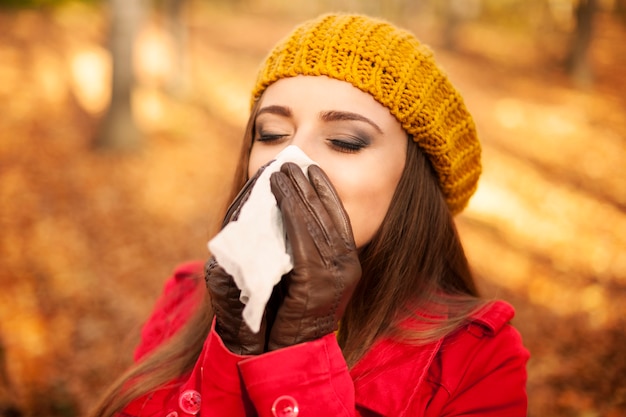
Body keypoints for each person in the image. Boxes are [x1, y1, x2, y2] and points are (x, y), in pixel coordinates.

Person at [90, 13, 529, 417]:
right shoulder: (184, 301)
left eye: (345, 141)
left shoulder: (478, 358)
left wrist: (300, 356)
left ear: (414, 184)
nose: (288, 162)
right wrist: (234, 346)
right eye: (272, 133)